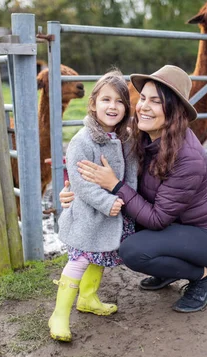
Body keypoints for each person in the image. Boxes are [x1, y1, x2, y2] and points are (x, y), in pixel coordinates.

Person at [60, 65, 207, 313]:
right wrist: (77, 195)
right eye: (143, 98)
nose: (143, 107)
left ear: (174, 110)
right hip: (170, 224)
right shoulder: (139, 133)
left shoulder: (188, 158)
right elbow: (100, 169)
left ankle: (203, 276)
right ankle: (167, 269)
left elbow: (157, 218)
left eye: (156, 102)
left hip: (203, 234)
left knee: (134, 250)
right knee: (125, 232)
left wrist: (114, 185)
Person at [50, 69, 138, 342]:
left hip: (115, 213)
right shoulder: (82, 141)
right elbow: (80, 183)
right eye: (106, 100)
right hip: (89, 214)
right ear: (93, 104)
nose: (113, 106)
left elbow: (131, 174)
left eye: (119, 101)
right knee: (80, 260)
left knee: (101, 255)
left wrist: (129, 200)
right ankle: (59, 315)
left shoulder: (126, 139)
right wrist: (107, 201)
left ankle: (87, 298)